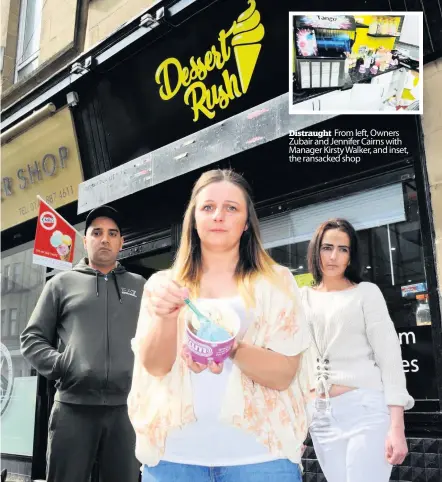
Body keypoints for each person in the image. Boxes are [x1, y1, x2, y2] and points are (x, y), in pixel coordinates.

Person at [128, 169, 312, 482]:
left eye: (231, 208)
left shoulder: (277, 282)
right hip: (174, 459)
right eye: (208, 207)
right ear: (194, 219)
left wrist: (230, 347)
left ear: (245, 224)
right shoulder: (162, 285)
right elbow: (155, 367)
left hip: (262, 459)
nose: (218, 216)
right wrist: (165, 317)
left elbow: (283, 374)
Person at [21, 205, 146, 482]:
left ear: (121, 242)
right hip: (72, 409)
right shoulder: (61, 284)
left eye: (113, 233)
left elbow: (155, 338)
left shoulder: (140, 286)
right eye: (97, 232)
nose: (105, 239)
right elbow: (32, 338)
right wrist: (63, 365)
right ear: (85, 240)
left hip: (127, 411)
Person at [300, 218, 414, 482]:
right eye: (327, 247)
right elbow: (298, 364)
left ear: (351, 256)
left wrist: (397, 427)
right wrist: (298, 425)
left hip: (365, 411)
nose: (333, 256)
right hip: (320, 415)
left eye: (343, 249)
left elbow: (390, 359)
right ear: (315, 250)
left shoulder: (366, 293)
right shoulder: (302, 298)